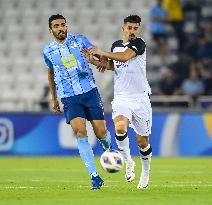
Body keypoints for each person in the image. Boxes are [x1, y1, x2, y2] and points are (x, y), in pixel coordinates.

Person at [42, 14, 111, 190]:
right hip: (69, 96)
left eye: (63, 25)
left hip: (89, 92)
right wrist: (54, 98)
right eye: (56, 26)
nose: (61, 28)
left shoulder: (80, 40)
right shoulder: (48, 51)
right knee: (80, 132)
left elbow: (97, 56)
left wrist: (100, 61)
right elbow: (51, 73)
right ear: (51, 30)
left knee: (101, 133)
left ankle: (108, 150)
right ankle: (95, 177)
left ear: (66, 26)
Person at [85, 15, 153, 189]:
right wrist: (92, 60)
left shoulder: (140, 44)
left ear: (138, 29)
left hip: (140, 99)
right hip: (122, 97)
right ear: (123, 28)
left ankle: (145, 173)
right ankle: (129, 162)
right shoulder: (115, 45)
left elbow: (123, 57)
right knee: (119, 128)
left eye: (135, 28)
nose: (132, 31)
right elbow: (112, 66)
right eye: (129, 28)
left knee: (142, 142)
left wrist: (100, 52)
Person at [149, 0, 169, 65]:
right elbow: (155, 17)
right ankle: (161, 61)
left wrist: (160, 18)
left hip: (162, 31)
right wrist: (161, 19)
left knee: (164, 45)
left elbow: (166, 19)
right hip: (155, 31)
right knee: (162, 43)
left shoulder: (164, 10)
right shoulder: (154, 9)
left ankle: (162, 61)